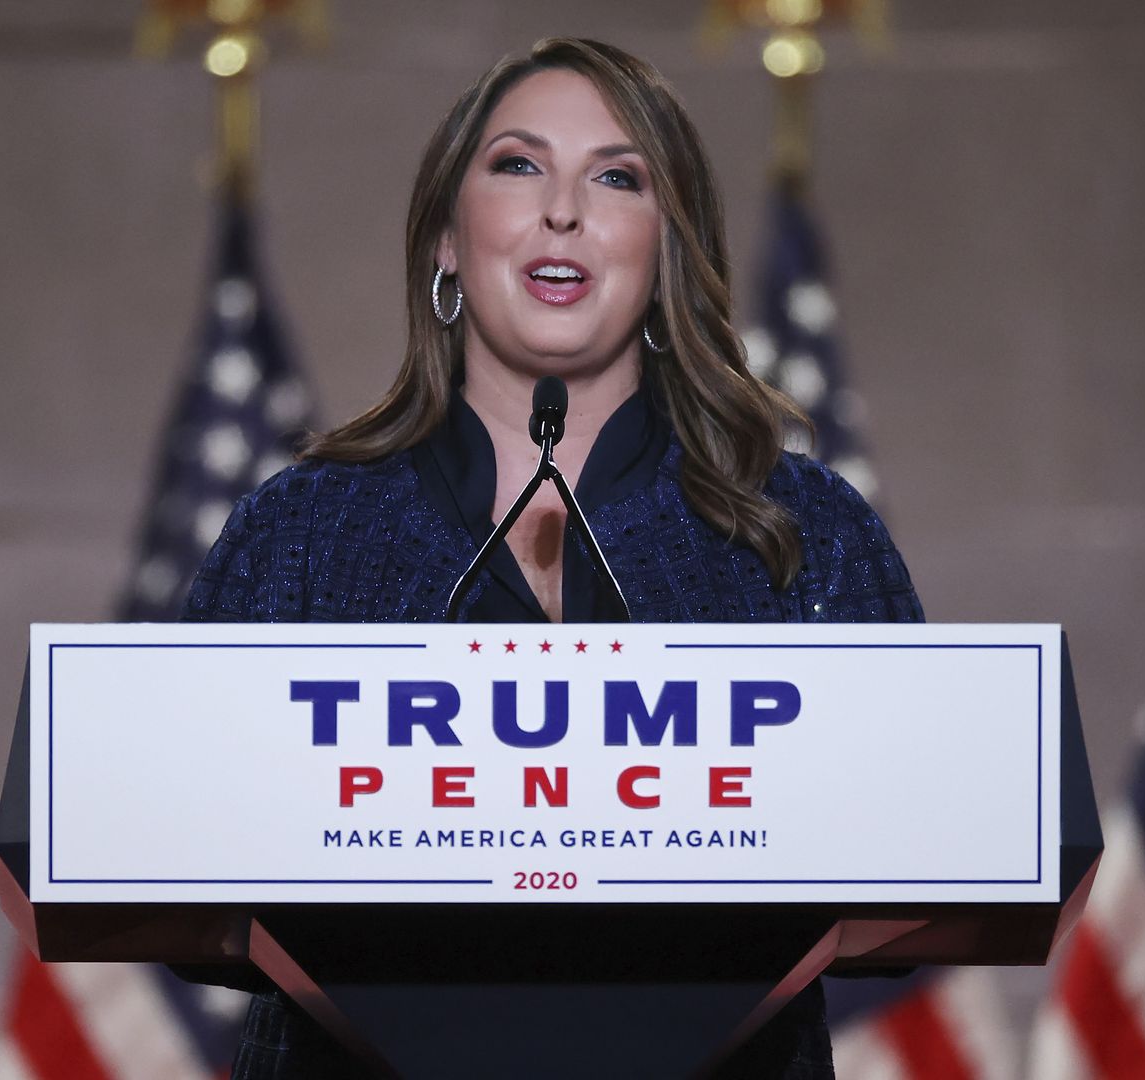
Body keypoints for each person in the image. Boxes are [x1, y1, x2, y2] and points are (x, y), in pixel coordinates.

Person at [179, 36, 923, 1079]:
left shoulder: (801, 532)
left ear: (667, 250)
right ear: (448, 237)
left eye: (617, 178)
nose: (562, 210)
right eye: (519, 165)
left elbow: (915, 852)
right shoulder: (301, 532)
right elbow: (177, 857)